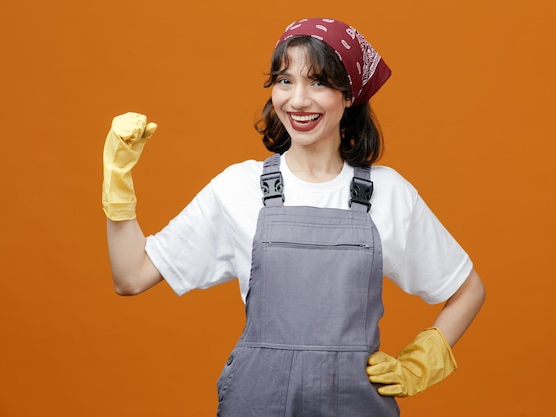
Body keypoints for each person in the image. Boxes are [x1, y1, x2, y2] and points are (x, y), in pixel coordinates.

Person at [103, 17, 486, 416]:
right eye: (285, 81)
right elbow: (131, 276)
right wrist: (118, 186)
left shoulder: (388, 194)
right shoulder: (239, 187)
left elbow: (468, 289)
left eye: (318, 82)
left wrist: (421, 362)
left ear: (349, 94)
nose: (297, 100)